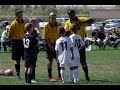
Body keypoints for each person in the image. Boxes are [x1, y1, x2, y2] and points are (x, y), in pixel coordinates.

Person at [64, 9, 94, 82]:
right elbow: (65, 33)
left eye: (71, 14)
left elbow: (92, 20)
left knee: (83, 61)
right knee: (73, 61)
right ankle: (74, 77)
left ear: (74, 14)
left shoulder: (80, 19)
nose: (70, 16)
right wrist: (71, 28)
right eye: (69, 15)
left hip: (80, 43)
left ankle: (87, 76)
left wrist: (81, 23)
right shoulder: (67, 22)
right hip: (72, 44)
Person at [42, 12, 62, 81]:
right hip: (49, 44)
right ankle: (50, 76)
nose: (53, 19)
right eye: (52, 18)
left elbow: (62, 34)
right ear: (49, 18)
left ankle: (60, 76)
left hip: (58, 44)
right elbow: (44, 37)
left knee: (59, 61)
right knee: (50, 61)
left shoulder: (59, 25)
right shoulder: (46, 26)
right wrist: (50, 45)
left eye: (54, 18)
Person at [8, 9, 26, 79]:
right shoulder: (13, 24)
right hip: (16, 42)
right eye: (19, 15)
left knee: (25, 59)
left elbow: (25, 31)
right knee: (17, 59)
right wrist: (13, 41)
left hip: (23, 42)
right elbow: (10, 35)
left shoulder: (24, 22)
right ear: (16, 16)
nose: (21, 16)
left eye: (21, 15)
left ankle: (26, 73)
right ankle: (18, 74)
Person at [29, 17, 42, 83]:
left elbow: (41, 37)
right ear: (33, 23)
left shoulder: (35, 31)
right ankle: (31, 78)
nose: (38, 23)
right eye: (37, 22)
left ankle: (32, 77)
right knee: (31, 64)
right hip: (30, 50)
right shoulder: (30, 31)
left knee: (33, 64)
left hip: (34, 49)